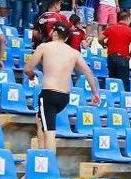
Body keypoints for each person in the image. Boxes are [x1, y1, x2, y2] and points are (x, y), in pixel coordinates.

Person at [24, 22, 101, 153]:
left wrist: (31, 75)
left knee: (49, 132)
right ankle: (40, 155)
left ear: (53, 33)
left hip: (49, 94)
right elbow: (88, 72)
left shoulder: (44, 47)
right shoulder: (73, 52)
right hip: (64, 97)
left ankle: (49, 166)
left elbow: (27, 68)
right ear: (66, 38)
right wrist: (95, 93)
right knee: (39, 119)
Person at [101, 9, 131, 90]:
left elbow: (100, 38)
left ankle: (112, 99)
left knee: (112, 82)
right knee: (123, 83)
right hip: (122, 57)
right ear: (127, 18)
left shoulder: (111, 28)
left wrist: (104, 44)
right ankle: (123, 100)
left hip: (111, 57)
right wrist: (129, 55)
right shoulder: (130, 30)